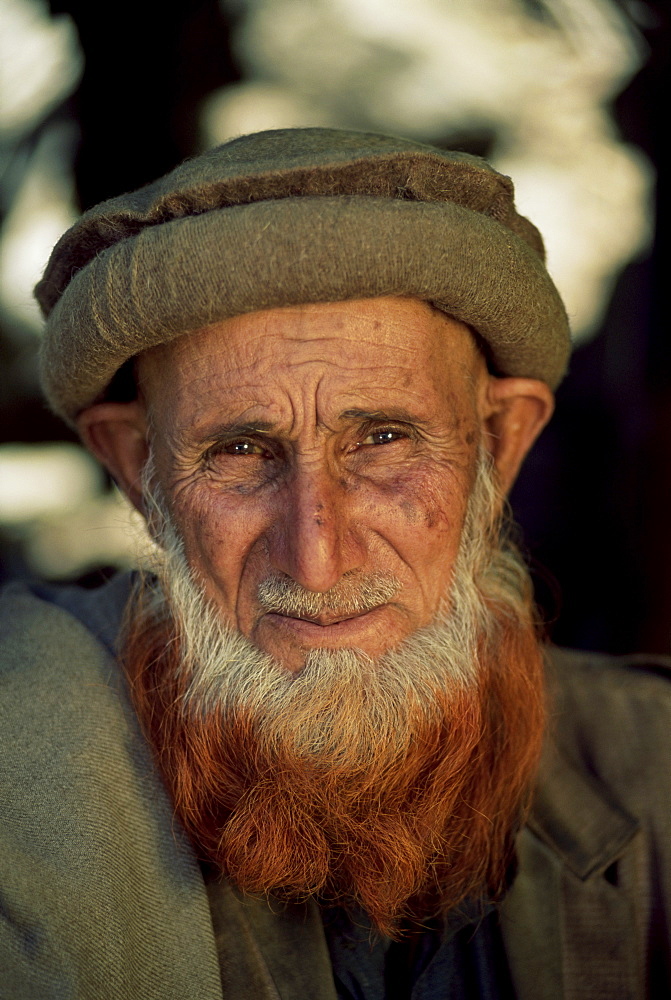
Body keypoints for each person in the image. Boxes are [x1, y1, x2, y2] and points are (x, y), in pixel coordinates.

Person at [1, 127, 670, 1000]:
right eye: (240, 451)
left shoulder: (653, 764)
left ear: (499, 446)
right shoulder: (23, 756)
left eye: (385, 439)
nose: (317, 559)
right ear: (137, 469)